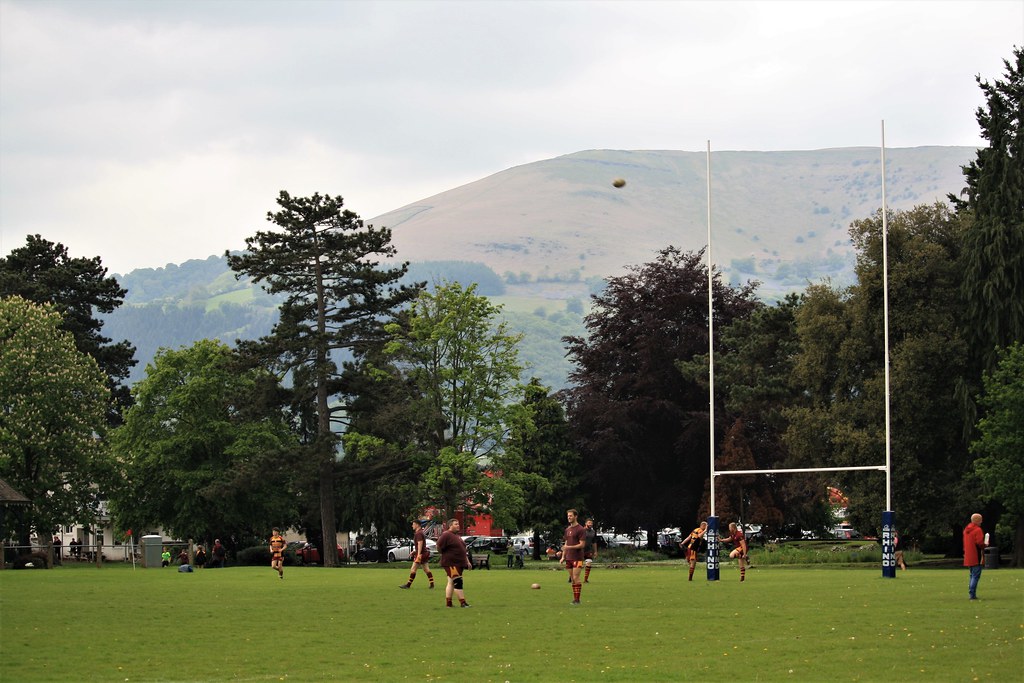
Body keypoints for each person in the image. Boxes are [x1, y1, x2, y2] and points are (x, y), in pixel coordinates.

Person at [436, 518, 471, 608]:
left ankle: (449, 603)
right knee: (458, 581)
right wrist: (443, 552)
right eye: (455, 524)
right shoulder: (446, 534)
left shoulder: (457, 536)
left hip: (459, 562)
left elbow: (463, 550)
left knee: (451, 582)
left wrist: (467, 561)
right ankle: (463, 602)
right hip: (451, 563)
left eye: (458, 523)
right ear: (450, 526)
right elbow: (439, 545)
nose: (458, 525)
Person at [400, 519, 435, 589]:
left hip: (421, 554)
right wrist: (415, 551)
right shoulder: (420, 532)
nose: (412, 526)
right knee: (426, 569)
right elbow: (420, 545)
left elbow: (420, 543)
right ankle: (432, 584)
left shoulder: (418, 533)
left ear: (417, 524)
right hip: (424, 553)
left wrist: (418, 554)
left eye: (413, 524)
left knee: (413, 569)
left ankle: (408, 585)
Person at [562, 509, 587, 604]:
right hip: (568, 557)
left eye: (570, 516)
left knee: (576, 577)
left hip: (577, 557)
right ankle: (575, 599)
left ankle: (577, 600)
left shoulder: (581, 529)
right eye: (568, 516)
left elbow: (582, 545)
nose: (569, 517)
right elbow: (566, 543)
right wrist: (563, 556)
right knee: (572, 578)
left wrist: (569, 547)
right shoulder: (567, 529)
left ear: (576, 516)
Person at [963, 513, 985, 600]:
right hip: (976, 555)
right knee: (975, 576)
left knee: (972, 575)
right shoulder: (978, 530)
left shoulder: (966, 530)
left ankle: (971, 593)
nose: (981, 522)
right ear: (977, 521)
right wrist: (985, 544)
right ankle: (972, 594)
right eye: (980, 520)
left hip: (968, 555)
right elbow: (979, 543)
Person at [583, 518, 598, 583]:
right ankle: (571, 577)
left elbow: (594, 542)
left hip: (588, 550)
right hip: (580, 550)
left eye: (591, 523)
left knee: (588, 563)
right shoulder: (581, 530)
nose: (590, 524)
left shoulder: (593, 532)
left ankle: (585, 579)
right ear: (585, 523)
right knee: (577, 565)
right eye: (589, 523)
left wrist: (595, 551)